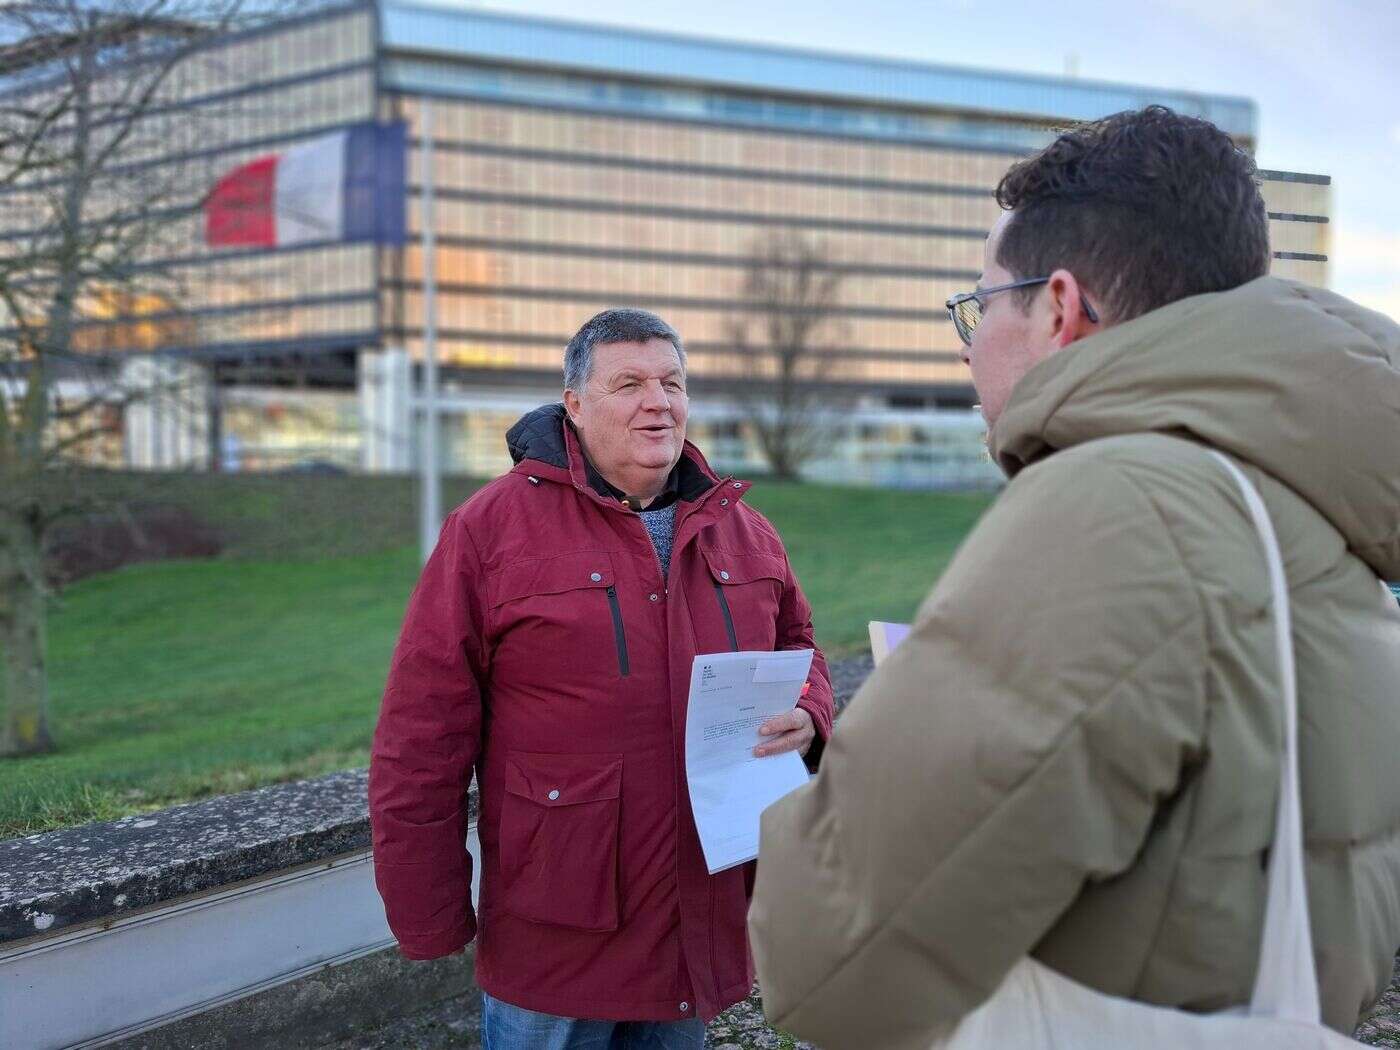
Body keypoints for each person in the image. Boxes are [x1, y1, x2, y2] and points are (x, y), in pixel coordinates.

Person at [749, 105, 1400, 1047]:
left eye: (979, 307)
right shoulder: (1296, 505)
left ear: (1059, 306)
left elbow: (833, 967)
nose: (970, 348)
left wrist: (842, 784)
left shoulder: (1122, 503)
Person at [369, 307, 834, 1049]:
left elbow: (800, 645)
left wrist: (809, 710)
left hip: (695, 922)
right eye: (630, 384)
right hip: (558, 938)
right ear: (575, 406)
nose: (659, 401)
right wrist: (430, 912)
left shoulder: (743, 529)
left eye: (672, 382)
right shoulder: (489, 531)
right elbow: (421, 735)